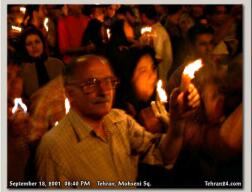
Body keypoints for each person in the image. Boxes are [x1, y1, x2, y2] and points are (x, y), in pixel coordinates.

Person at [35, 54, 200, 189]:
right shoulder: (54, 149)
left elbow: (164, 155)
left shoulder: (120, 121)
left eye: (109, 82)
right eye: (91, 84)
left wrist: (178, 120)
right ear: (70, 94)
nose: (104, 91)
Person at [18, 27, 64, 99]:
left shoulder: (57, 64)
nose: (34, 46)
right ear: (24, 48)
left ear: (43, 43)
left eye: (37, 42)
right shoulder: (22, 70)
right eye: (29, 44)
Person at [138, 5, 173, 82]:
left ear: (143, 16)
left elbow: (158, 57)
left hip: (159, 77)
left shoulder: (158, 32)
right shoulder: (149, 30)